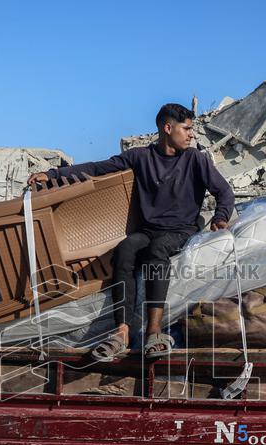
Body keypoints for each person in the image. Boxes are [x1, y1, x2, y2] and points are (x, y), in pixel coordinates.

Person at [28, 103, 234, 361]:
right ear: (167, 128)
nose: (191, 134)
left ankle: (153, 331)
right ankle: (122, 331)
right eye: (186, 129)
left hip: (182, 229)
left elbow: (224, 192)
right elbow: (98, 168)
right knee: (125, 250)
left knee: (156, 252)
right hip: (149, 230)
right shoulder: (141, 157)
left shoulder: (195, 159)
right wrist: (53, 174)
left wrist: (221, 216)